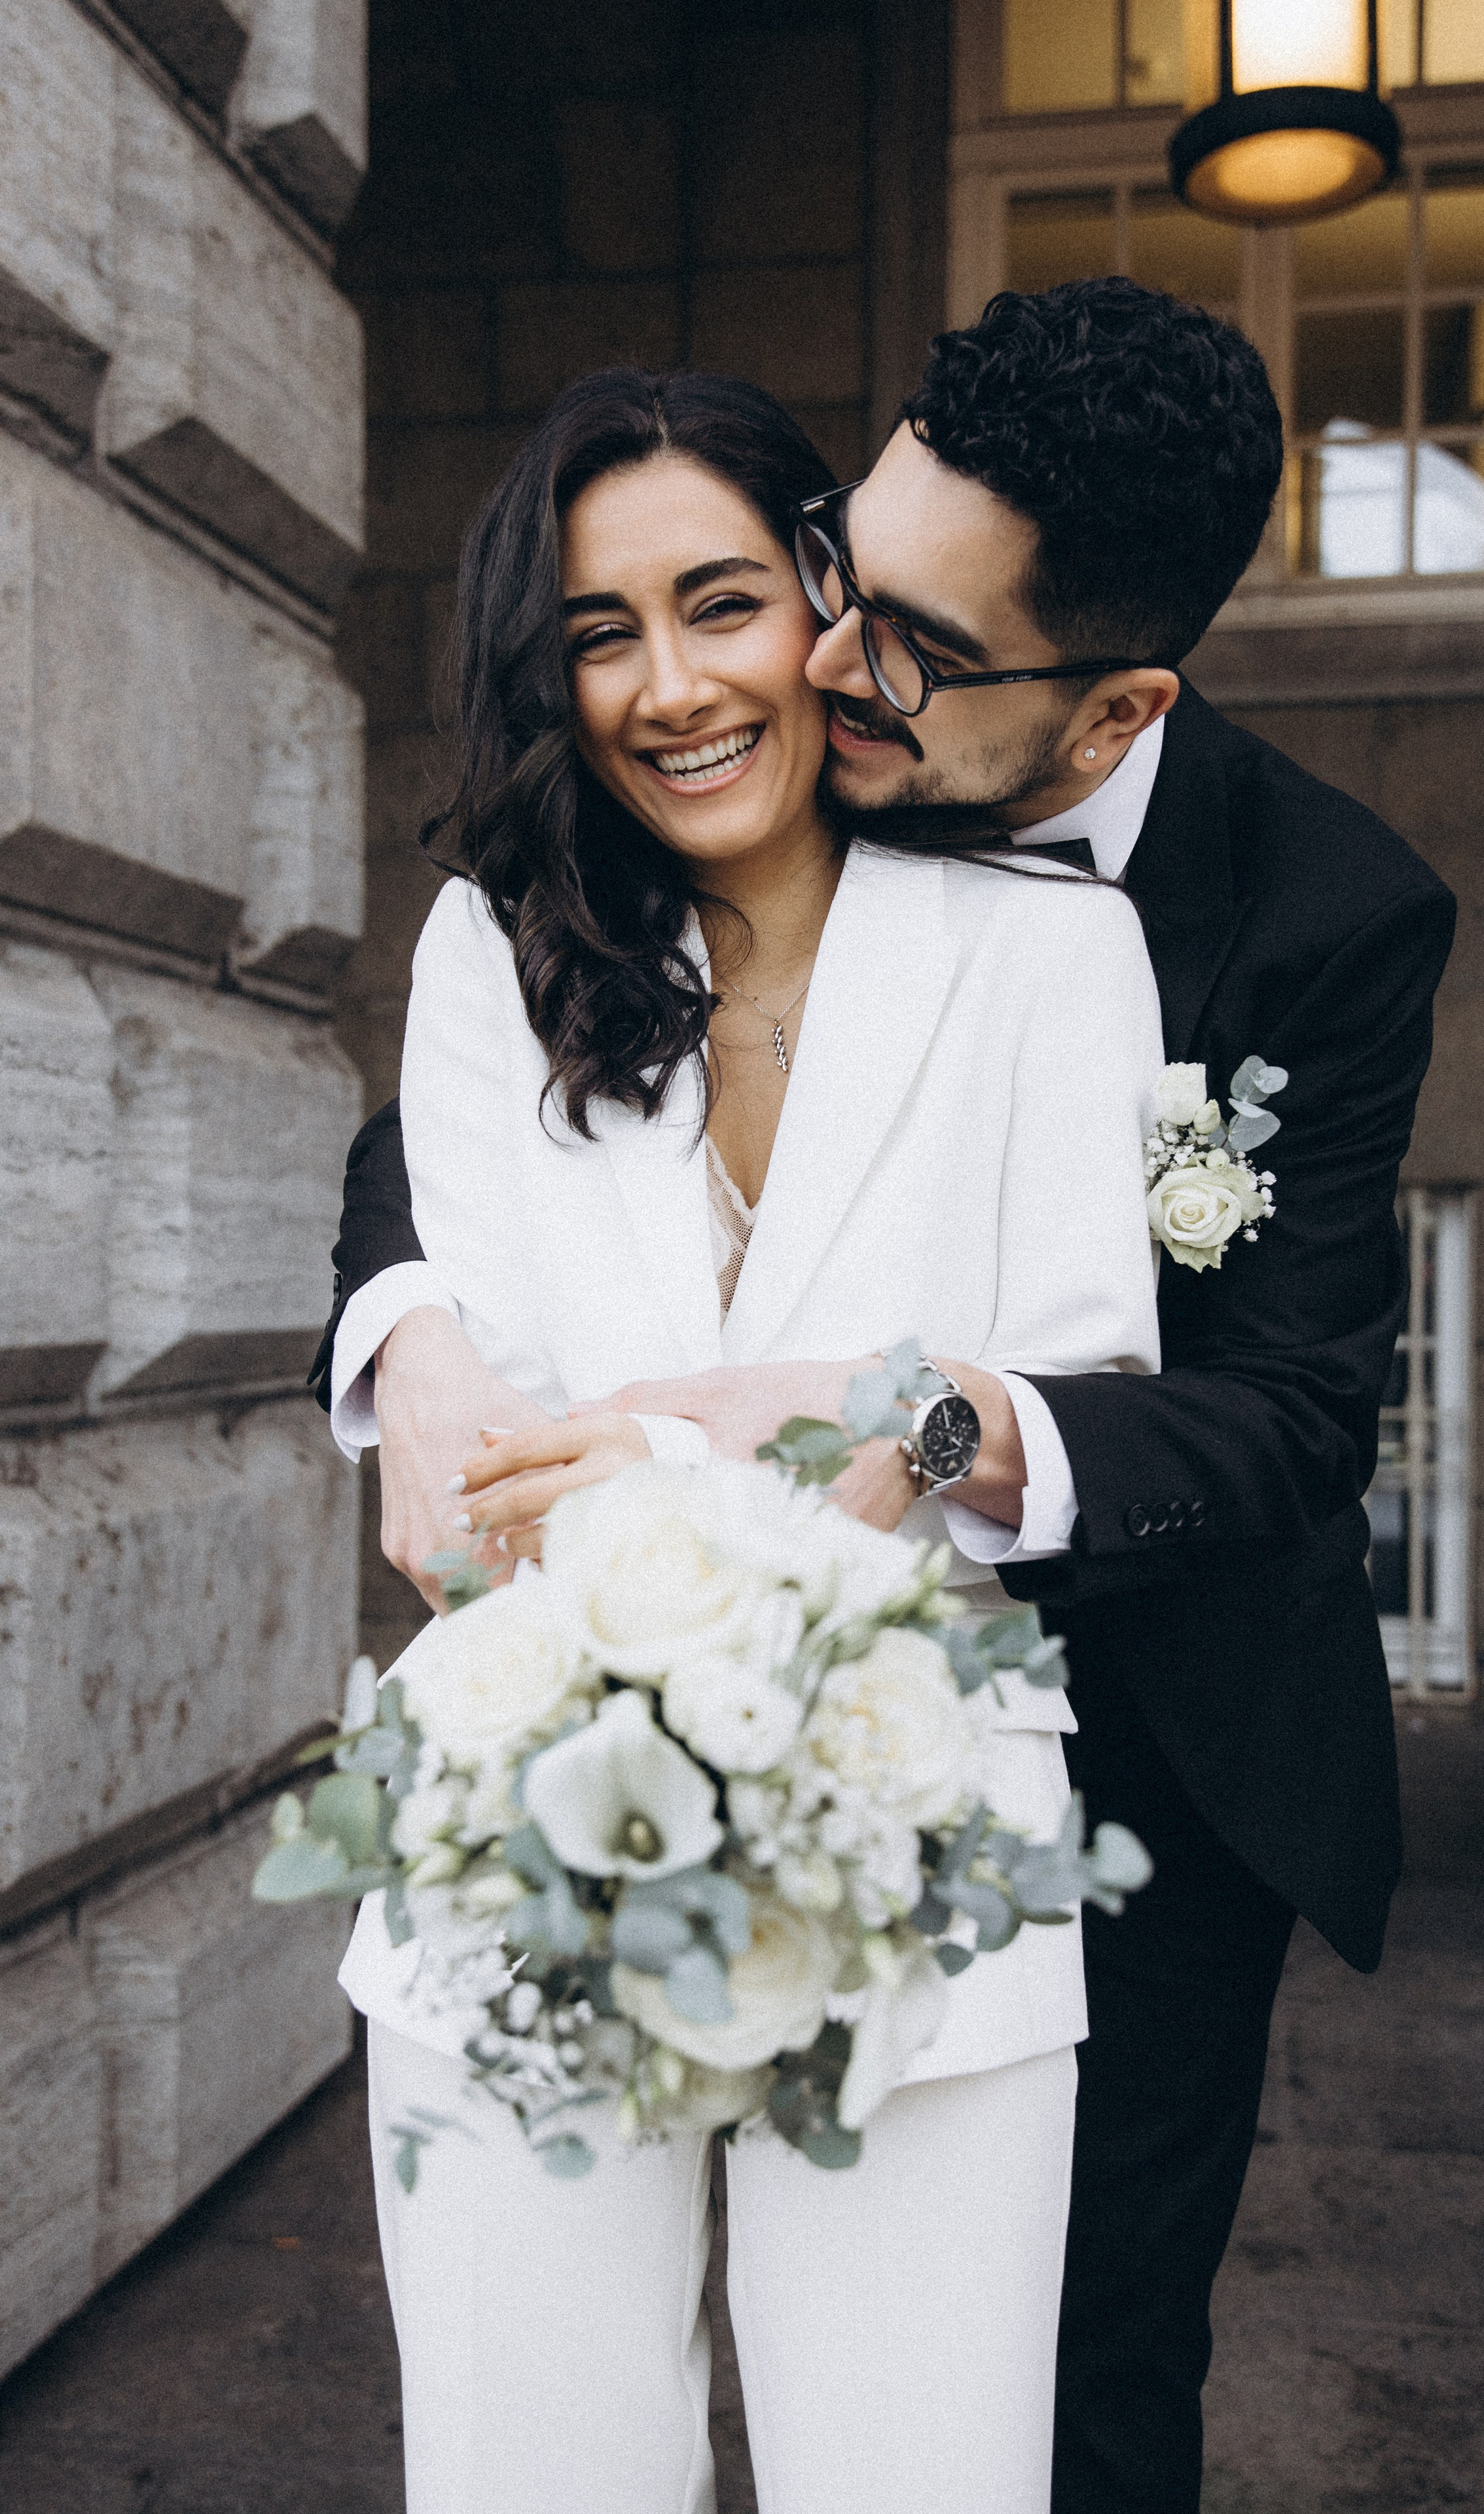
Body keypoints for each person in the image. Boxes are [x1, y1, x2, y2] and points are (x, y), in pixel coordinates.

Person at [317, 282, 1457, 2513]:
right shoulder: (553, 906)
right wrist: (407, 1329)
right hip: (574, 1768)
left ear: (1113, 698)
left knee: (1043, 2407)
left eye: (881, 637)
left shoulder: (1277, 920)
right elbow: (451, 1157)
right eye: (833, 569)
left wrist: (861, 1414)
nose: (816, 667)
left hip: (1117, 1726)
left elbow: (1274, 1411)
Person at [337, 365, 1165, 2514]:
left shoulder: (1051, 958)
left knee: (922, 2482)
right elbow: (496, 1483)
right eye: (601, 633)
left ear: (825, 596)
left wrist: (720, 1464)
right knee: (536, 2484)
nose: (673, 685)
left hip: (924, 1861)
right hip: (521, 1846)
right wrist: (839, 1444)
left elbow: (1067, 1400)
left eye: (720, 603)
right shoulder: (488, 957)